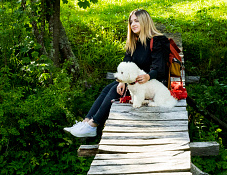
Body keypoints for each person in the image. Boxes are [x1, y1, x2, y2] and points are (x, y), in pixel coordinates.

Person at [65, 9, 169, 137]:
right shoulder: (134, 42)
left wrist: (147, 76)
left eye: (136, 21)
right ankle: (86, 122)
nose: (133, 24)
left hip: (153, 84)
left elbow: (160, 69)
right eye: (131, 22)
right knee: (109, 88)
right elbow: (126, 63)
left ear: (145, 21)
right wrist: (122, 81)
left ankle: (94, 124)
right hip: (136, 82)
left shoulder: (158, 41)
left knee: (114, 90)